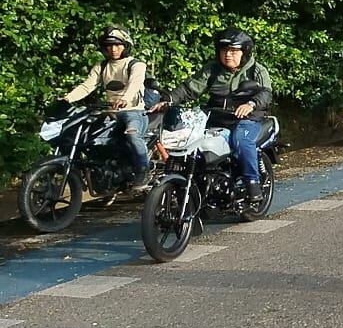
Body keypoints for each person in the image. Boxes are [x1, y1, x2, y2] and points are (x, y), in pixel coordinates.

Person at [157, 29, 273, 201]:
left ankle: (252, 183)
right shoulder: (212, 70)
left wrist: (250, 104)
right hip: (215, 115)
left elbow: (266, 94)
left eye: (233, 51)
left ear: (245, 52)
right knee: (190, 141)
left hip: (247, 118)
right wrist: (168, 100)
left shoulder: (256, 70)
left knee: (241, 140)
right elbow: (189, 89)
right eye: (224, 50)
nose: (228, 55)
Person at [63, 27, 151, 191]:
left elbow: (134, 85)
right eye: (109, 46)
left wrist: (124, 99)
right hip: (110, 113)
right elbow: (87, 86)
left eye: (117, 45)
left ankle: (143, 170)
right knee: (84, 137)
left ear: (125, 45)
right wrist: (67, 98)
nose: (113, 49)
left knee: (132, 135)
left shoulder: (136, 65)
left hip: (134, 111)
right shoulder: (102, 66)